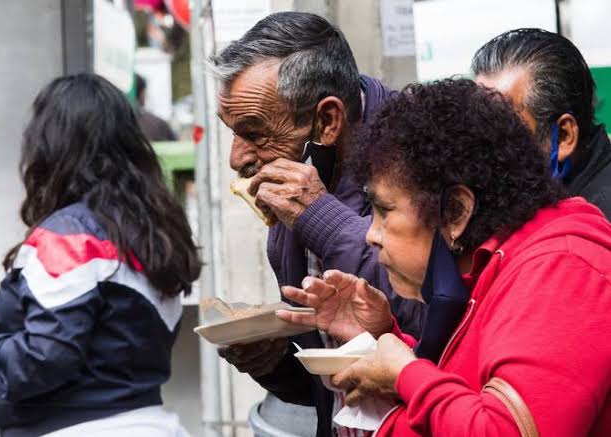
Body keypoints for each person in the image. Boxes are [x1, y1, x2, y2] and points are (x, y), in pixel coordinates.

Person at [278, 79, 611, 436]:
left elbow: (505, 429)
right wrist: (381, 339)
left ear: (456, 211)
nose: (371, 235)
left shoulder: (561, 269)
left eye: (384, 210)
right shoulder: (491, 267)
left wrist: (404, 372)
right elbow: (466, 387)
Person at [0, 74, 202, 437]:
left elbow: (45, 358)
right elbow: (102, 355)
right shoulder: (152, 234)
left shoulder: (70, 236)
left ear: (48, 147)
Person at [211, 11, 425, 437]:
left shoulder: (421, 164)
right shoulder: (300, 180)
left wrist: (321, 217)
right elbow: (335, 388)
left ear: (328, 121)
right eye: (233, 133)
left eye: (254, 133)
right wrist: (275, 363)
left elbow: (438, 332)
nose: (238, 158)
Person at [473, 28, 611, 219]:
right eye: (479, 123)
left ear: (564, 136)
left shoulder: (595, 227)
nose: (485, 148)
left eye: (504, 130)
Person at [135, 74, 177, 141]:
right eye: (145, 92)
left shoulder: (116, 124)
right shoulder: (158, 124)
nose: (146, 96)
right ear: (142, 93)